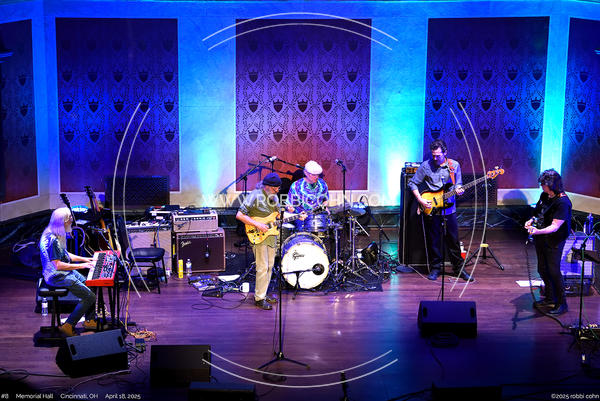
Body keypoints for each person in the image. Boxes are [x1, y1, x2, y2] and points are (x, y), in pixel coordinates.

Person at [408, 139, 474, 281]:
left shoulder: (454, 165)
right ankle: (435, 269)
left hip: (449, 210)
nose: (435, 158)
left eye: (438, 155)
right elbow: (412, 183)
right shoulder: (426, 166)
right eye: (433, 155)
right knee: (434, 241)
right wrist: (420, 199)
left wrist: (459, 189)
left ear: (445, 153)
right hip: (432, 209)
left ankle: (459, 270)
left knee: (453, 241)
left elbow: (458, 184)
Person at [39, 207, 98, 336]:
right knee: (90, 297)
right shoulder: (53, 240)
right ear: (63, 222)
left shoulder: (54, 233)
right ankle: (68, 325)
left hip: (63, 273)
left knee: (91, 283)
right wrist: (82, 266)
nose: (72, 220)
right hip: (57, 276)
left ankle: (89, 320)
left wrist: (86, 259)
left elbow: (66, 255)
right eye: (70, 218)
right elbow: (58, 265)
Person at [525, 169, 572, 315]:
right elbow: (538, 213)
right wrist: (531, 220)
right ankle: (550, 297)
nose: (541, 186)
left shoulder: (563, 202)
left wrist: (537, 231)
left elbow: (554, 227)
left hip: (554, 239)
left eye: (543, 184)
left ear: (552, 185)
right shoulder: (544, 196)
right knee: (542, 269)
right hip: (541, 237)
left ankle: (562, 303)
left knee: (554, 270)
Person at [236, 173, 283, 310]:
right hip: (258, 234)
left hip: (271, 234)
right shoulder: (255, 195)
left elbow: (278, 216)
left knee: (270, 266)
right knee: (262, 266)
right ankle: (259, 298)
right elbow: (240, 215)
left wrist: (293, 214)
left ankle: (263, 293)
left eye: (278, 188)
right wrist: (257, 224)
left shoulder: (274, 198)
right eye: (275, 188)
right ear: (267, 186)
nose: (277, 190)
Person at [286, 160, 329, 229]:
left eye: (317, 175)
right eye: (313, 175)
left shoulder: (322, 184)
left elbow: (325, 200)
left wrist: (324, 207)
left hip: (319, 218)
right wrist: (290, 209)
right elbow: (289, 204)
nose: (316, 177)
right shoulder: (296, 186)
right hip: (301, 219)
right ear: (305, 173)